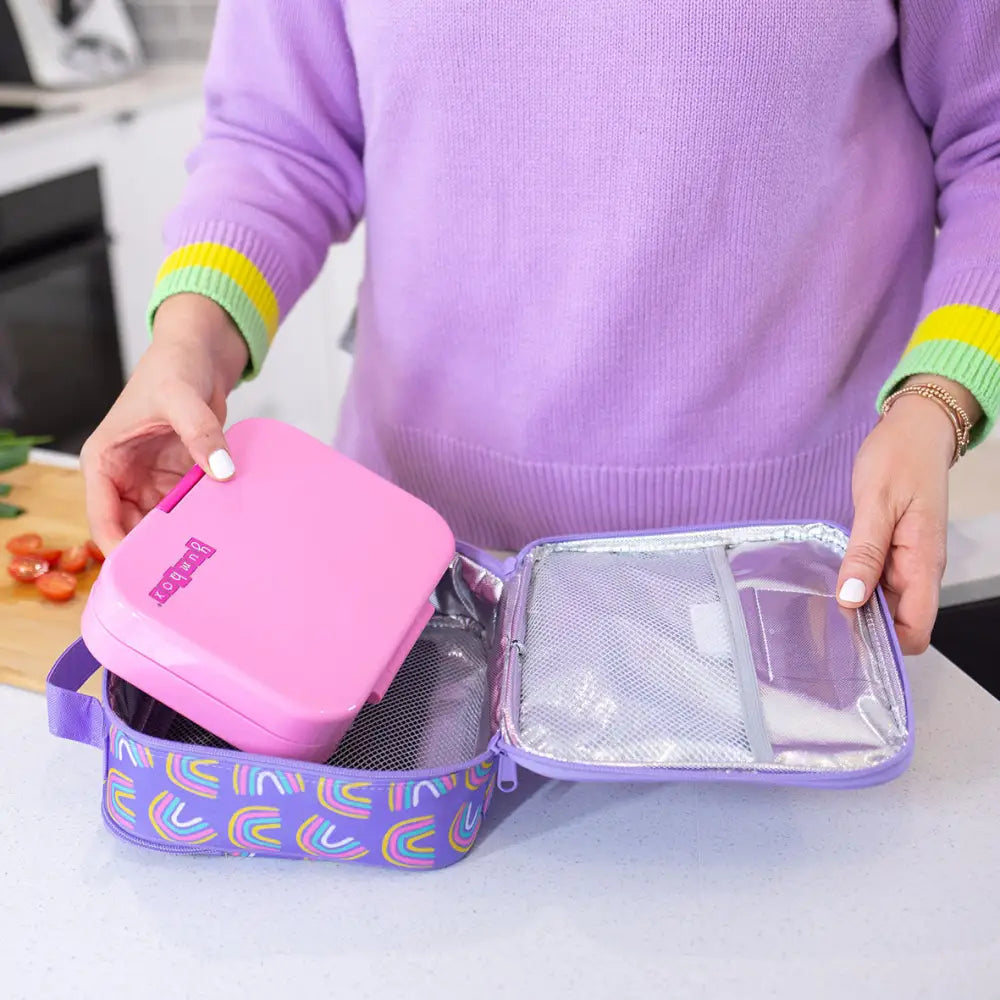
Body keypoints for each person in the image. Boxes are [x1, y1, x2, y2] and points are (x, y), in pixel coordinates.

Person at [82, 2, 1000, 655]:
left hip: (787, 584)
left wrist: (936, 402)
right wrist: (190, 338)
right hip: (411, 575)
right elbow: (280, 142)